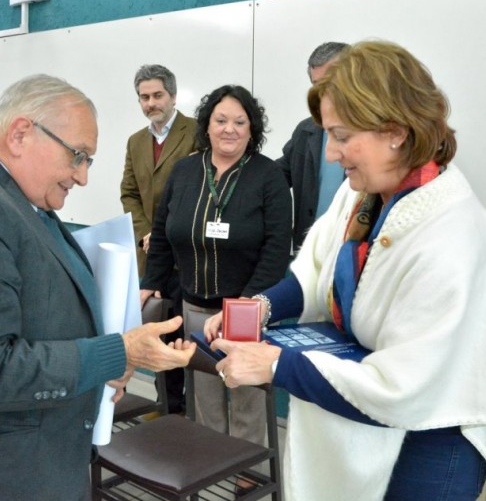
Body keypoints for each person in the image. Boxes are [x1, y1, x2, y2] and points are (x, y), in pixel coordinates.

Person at [204, 42, 486, 500]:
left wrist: (276, 363)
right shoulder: (362, 196)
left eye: (343, 136)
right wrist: (263, 306)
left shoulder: (456, 237)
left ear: (396, 132)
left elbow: (405, 389)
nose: (331, 153)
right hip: (375, 422)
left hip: (431, 442)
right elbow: (316, 275)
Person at [0, 74, 196, 501]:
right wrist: (118, 352)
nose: (83, 176)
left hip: (34, 462)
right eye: (78, 156)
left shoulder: (11, 197)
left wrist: (103, 365)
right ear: (20, 134)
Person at [141, 84, 291, 445]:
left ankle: (248, 471)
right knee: (203, 394)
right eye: (221, 120)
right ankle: (211, 461)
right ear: (206, 125)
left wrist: (246, 306)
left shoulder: (268, 176)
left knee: (246, 396)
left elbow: (276, 251)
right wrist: (150, 281)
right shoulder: (184, 171)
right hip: (193, 307)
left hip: (245, 310)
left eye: (240, 122)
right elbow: (161, 234)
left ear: (252, 129)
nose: (230, 129)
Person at [119, 63, 196, 414]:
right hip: (150, 255)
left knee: (185, 331)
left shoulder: (197, 133)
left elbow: (200, 191)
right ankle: (166, 406)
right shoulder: (136, 141)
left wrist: (163, 232)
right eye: (143, 97)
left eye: (157, 95)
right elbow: (129, 193)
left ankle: (188, 409)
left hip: (188, 254)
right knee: (157, 330)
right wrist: (145, 233)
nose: (151, 103)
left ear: (173, 95)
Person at [277, 41, 349, 254]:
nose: (323, 92)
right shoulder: (306, 130)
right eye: (317, 84)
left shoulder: (381, 133)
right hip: (310, 251)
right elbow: (279, 173)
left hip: (357, 252)